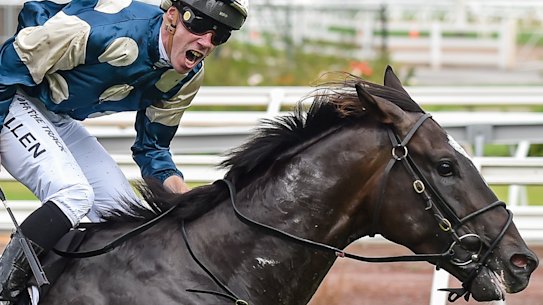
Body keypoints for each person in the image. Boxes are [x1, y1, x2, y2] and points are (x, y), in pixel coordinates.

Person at [0, 0, 248, 302]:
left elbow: (152, 148)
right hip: (11, 94)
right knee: (74, 194)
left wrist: (185, 198)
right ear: (171, 16)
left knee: (125, 217)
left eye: (220, 34)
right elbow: (11, 61)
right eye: (198, 25)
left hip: (56, 116)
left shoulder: (186, 78)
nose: (207, 41)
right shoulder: (104, 29)